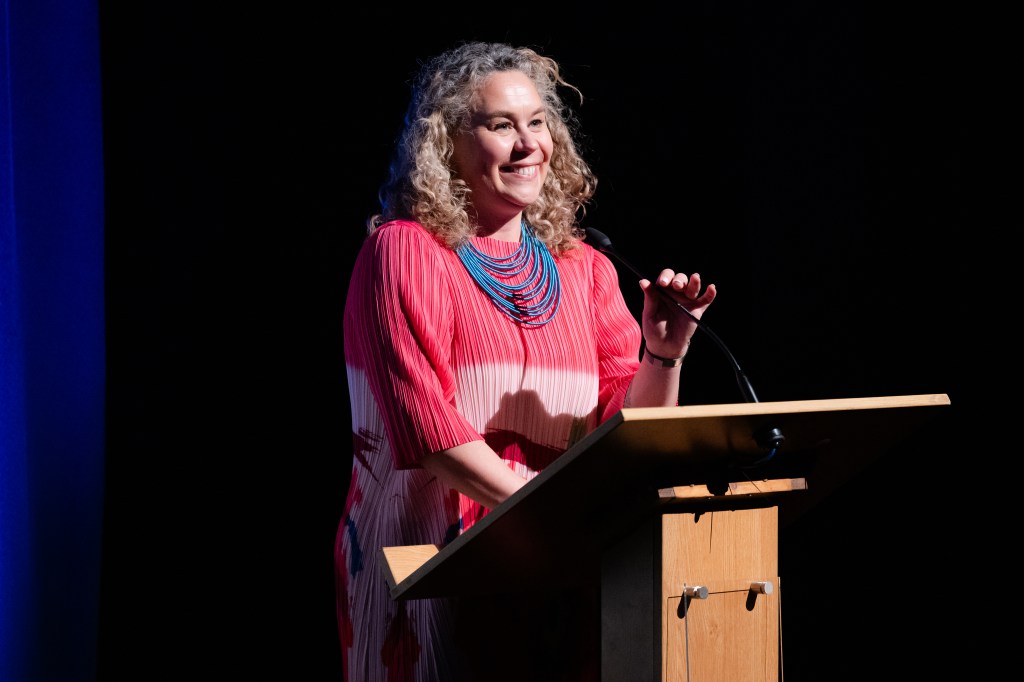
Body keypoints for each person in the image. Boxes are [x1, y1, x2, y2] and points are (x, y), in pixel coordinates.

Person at [335, 41, 716, 681]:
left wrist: (663, 355)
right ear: (446, 145)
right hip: (432, 576)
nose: (527, 144)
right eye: (500, 125)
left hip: (561, 580)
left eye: (536, 122)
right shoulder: (405, 252)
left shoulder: (585, 268)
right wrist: (564, 523)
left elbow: (626, 432)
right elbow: (429, 431)